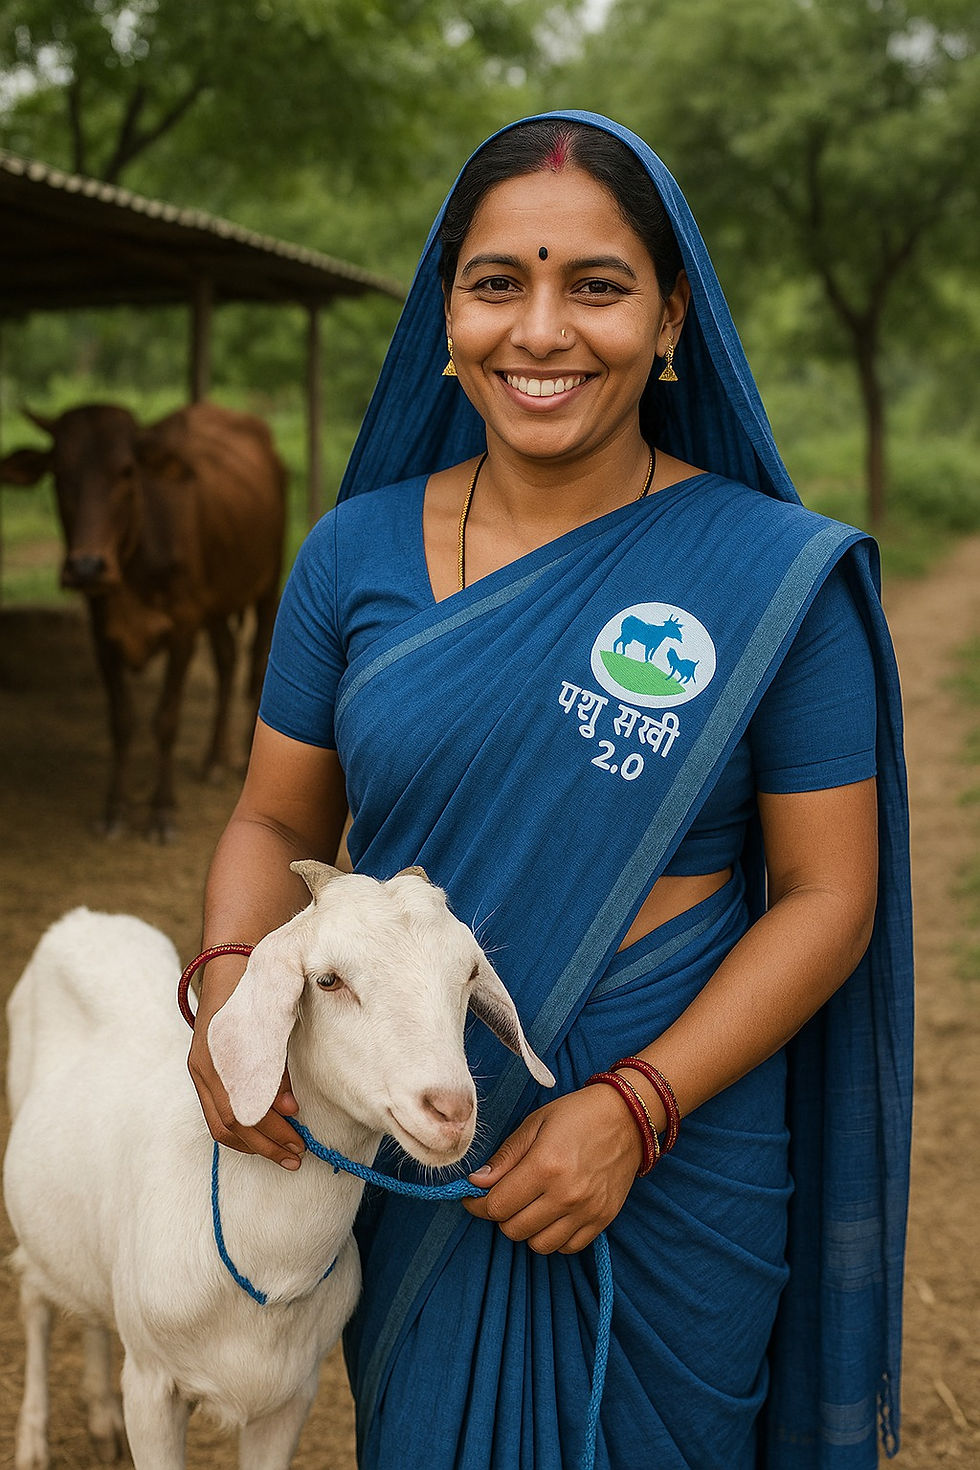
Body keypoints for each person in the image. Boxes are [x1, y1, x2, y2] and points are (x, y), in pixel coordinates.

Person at [187, 112, 913, 1470]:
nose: (540, 331)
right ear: (446, 314)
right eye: (496, 283)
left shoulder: (770, 579)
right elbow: (276, 818)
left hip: (681, 1149)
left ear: (670, 316)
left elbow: (831, 897)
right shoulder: (351, 556)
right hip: (420, 1136)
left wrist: (637, 1107)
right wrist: (231, 985)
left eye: (596, 285)